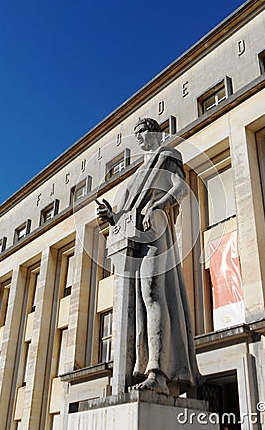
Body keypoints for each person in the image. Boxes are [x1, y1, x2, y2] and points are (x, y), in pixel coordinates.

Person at [97, 117, 200, 395]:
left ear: (156, 132)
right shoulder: (136, 175)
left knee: (153, 293)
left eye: (143, 132)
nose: (139, 138)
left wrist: (158, 204)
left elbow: (181, 189)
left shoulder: (168, 156)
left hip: (156, 228)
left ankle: (159, 372)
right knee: (136, 304)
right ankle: (142, 368)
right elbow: (125, 215)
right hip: (132, 238)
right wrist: (111, 216)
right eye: (136, 134)